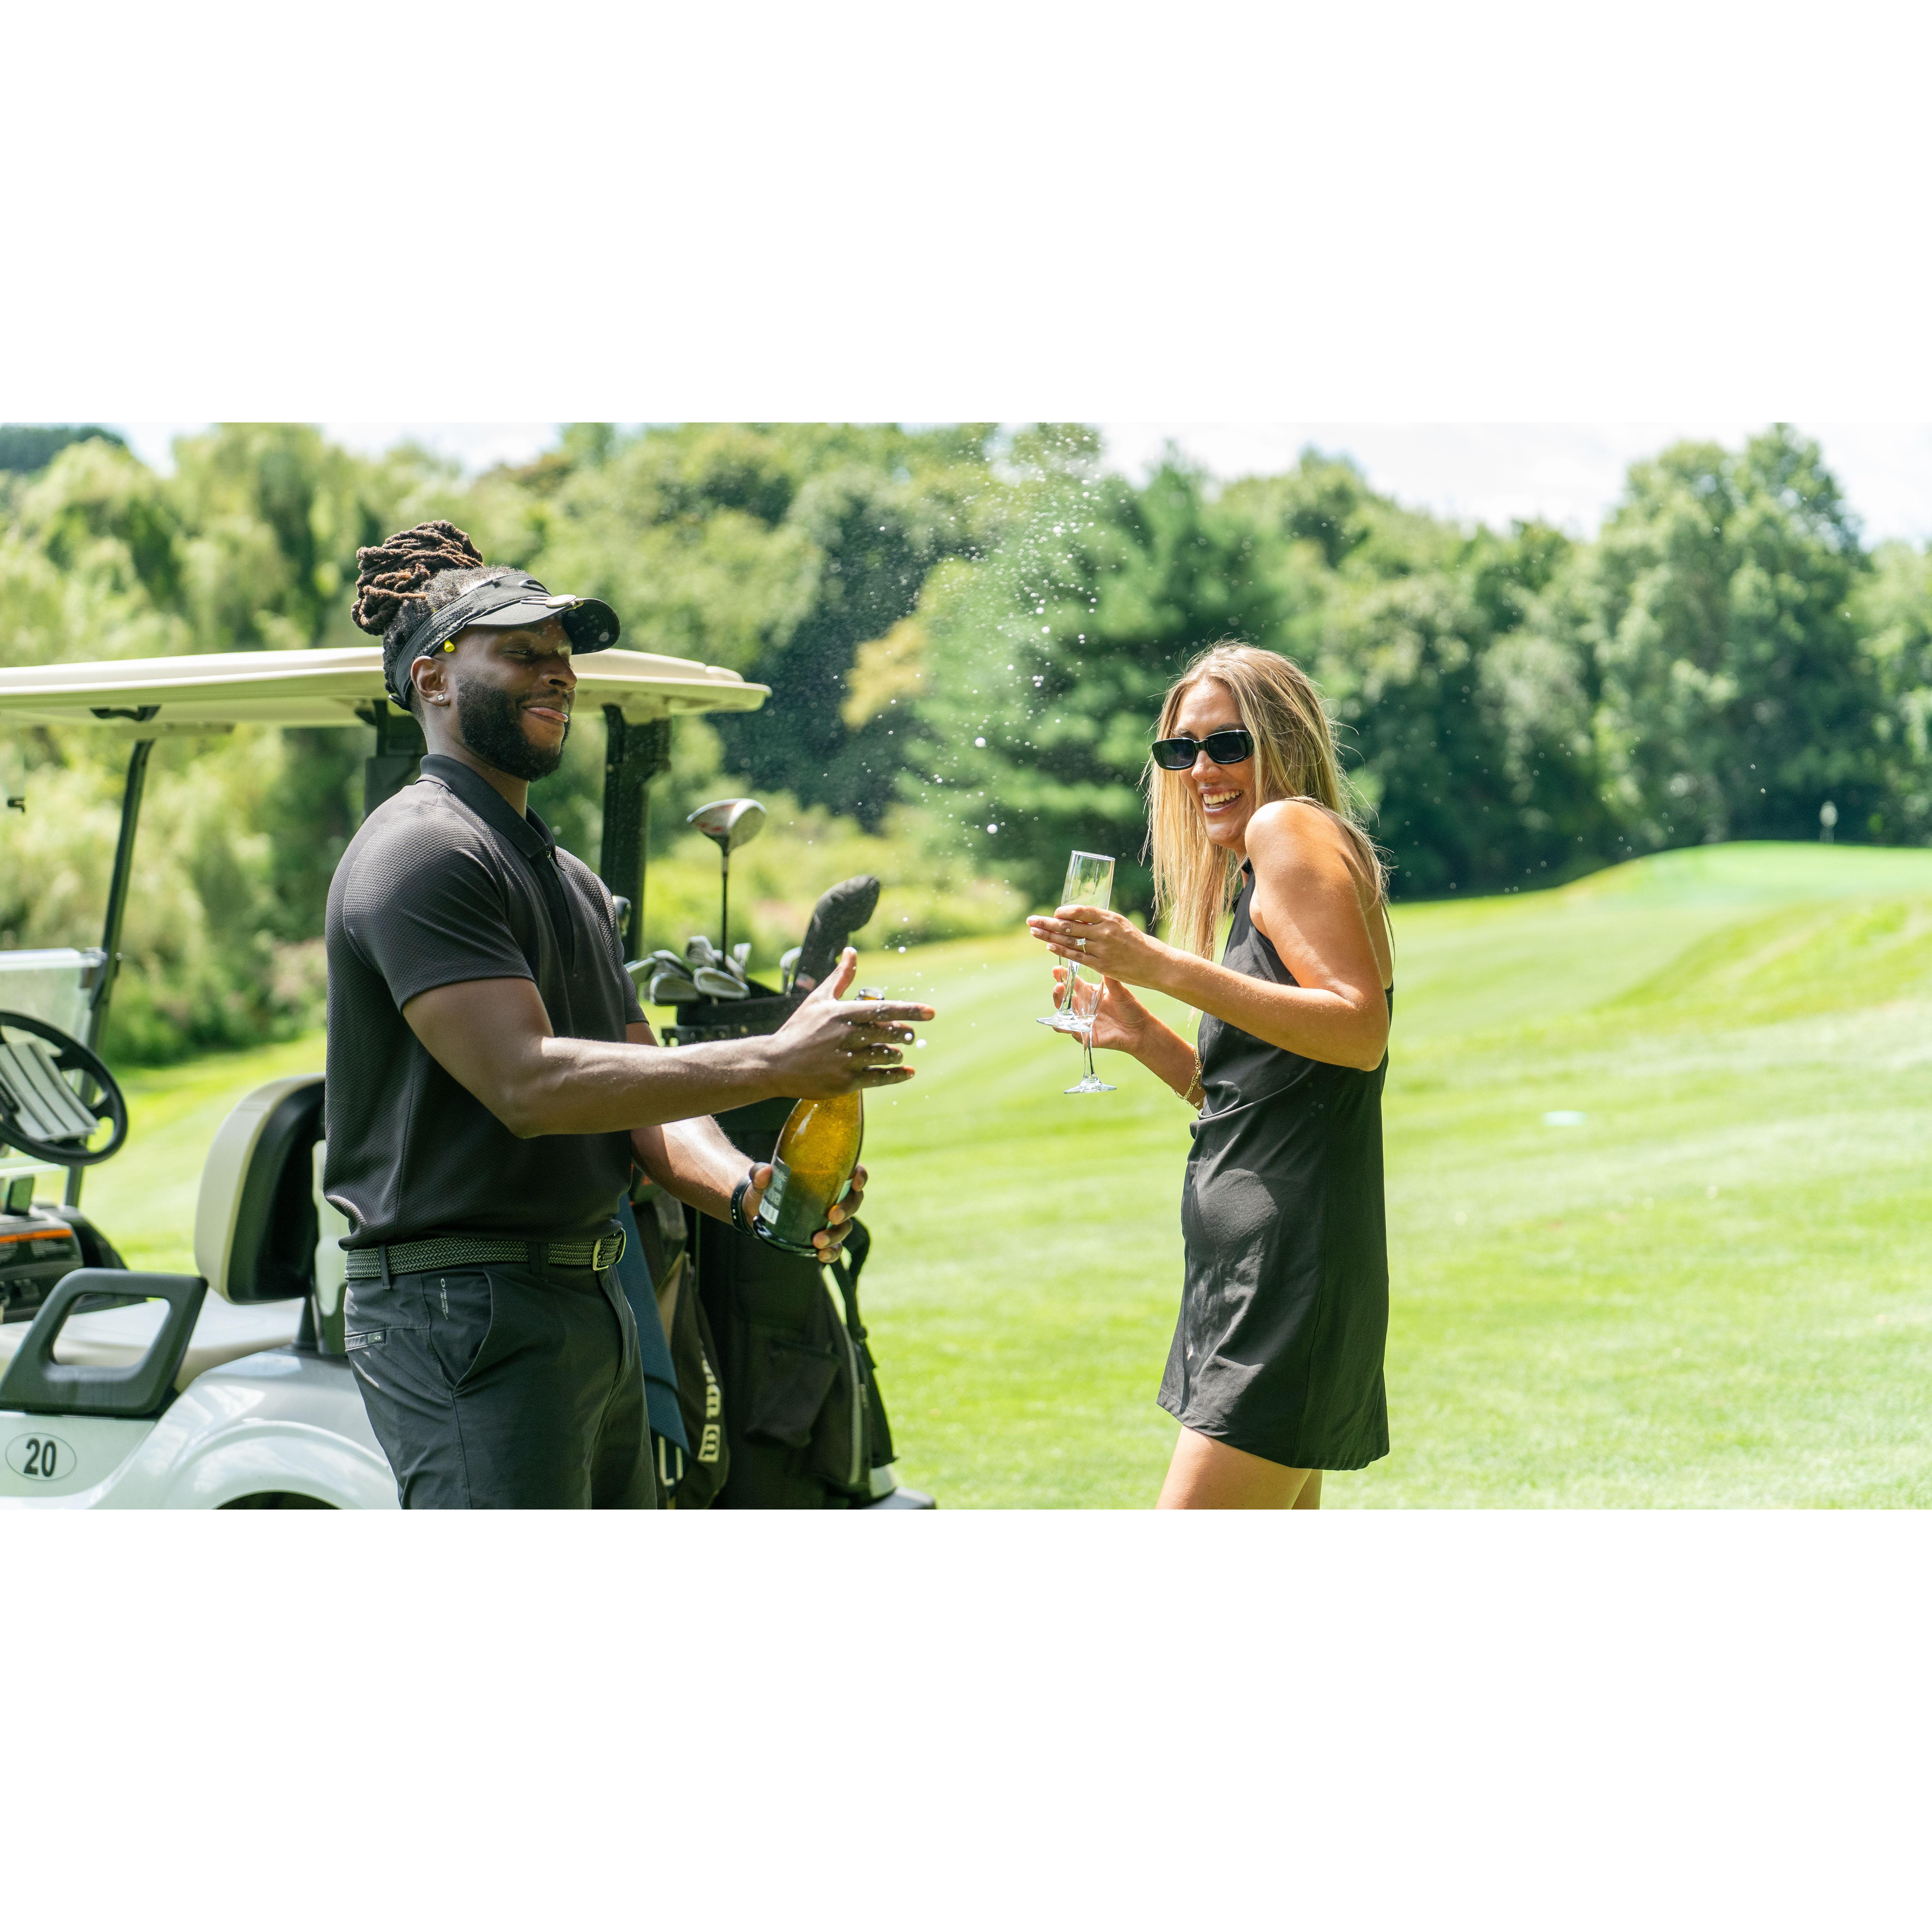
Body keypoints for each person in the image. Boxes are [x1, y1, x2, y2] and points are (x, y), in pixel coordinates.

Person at [324, 520, 933, 1509]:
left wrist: (751, 1193)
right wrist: (776, 1060)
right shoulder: (423, 852)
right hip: (462, 1307)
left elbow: (646, 1104)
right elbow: (528, 1083)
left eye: (561, 655)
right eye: (521, 652)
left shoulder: (564, 877)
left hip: (592, 1293)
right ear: (433, 679)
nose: (557, 674)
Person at [1028, 643, 1393, 1510]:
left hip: (1285, 1281)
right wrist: (1143, 1036)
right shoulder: (1262, 868)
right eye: (1180, 750)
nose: (1201, 771)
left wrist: (1160, 966)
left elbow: (1358, 1033)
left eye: (1227, 745)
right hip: (1257, 1275)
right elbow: (1266, 1097)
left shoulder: (1287, 829)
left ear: (1286, 743)